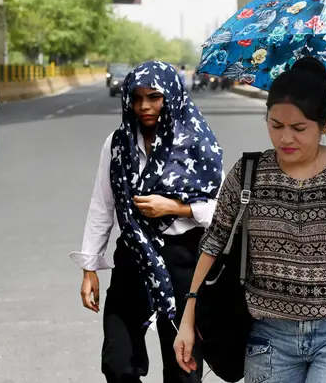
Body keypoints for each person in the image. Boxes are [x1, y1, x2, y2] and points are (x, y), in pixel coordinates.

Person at [174, 57, 326, 383]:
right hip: (270, 334)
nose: (286, 138)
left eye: (299, 129)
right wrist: (188, 318)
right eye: (276, 125)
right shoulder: (248, 174)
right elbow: (213, 245)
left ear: (325, 124)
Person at [70, 61, 224, 383]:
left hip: (184, 262)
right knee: (117, 364)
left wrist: (175, 208)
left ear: (172, 96)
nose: (144, 106)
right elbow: (103, 205)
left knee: (183, 371)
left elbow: (220, 211)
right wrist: (89, 269)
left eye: (154, 97)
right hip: (133, 256)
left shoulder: (198, 145)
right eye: (136, 97)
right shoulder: (117, 144)